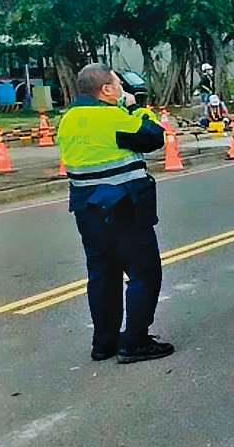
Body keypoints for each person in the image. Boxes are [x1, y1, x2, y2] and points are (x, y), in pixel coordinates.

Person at [57, 63, 174, 364]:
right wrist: (139, 109)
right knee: (143, 272)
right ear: (106, 90)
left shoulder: (68, 120)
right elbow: (153, 137)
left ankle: (103, 342)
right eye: (117, 84)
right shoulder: (112, 117)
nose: (121, 89)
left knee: (102, 274)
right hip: (123, 206)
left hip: (87, 209)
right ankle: (134, 341)